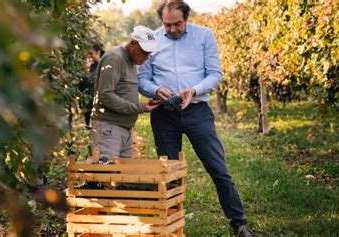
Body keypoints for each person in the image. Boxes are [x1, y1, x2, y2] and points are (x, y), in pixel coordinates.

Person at [137, 1, 253, 236]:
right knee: (167, 172)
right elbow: (142, 80)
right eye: (167, 25)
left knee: (218, 169)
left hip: (197, 111)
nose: (172, 29)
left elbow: (215, 73)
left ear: (186, 19)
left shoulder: (204, 36)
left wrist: (195, 90)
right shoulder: (152, 41)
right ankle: (169, 226)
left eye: (177, 24)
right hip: (164, 114)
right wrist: (156, 90)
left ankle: (239, 224)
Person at [90, 25, 160, 159]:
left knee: (123, 177)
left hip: (124, 129)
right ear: (133, 44)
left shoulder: (132, 61)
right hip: (109, 129)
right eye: (144, 51)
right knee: (107, 175)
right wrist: (138, 108)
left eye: (149, 53)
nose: (147, 57)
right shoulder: (114, 58)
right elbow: (105, 95)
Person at [82, 43, 105, 128]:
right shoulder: (94, 64)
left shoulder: (103, 63)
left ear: (98, 52)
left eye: (91, 53)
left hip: (98, 105)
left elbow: (90, 80)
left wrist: (85, 70)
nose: (89, 56)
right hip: (91, 103)